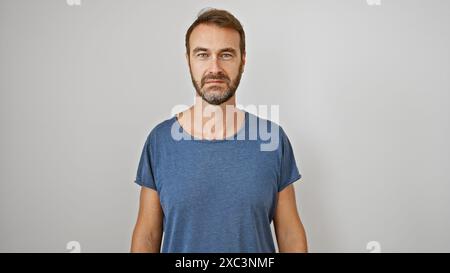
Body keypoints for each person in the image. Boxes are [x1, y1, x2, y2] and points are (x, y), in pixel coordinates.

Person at [131, 8, 307, 253]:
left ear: (242, 61)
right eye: (203, 54)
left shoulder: (273, 141)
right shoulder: (160, 142)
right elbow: (147, 237)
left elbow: (290, 235)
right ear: (189, 60)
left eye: (226, 54)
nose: (214, 68)